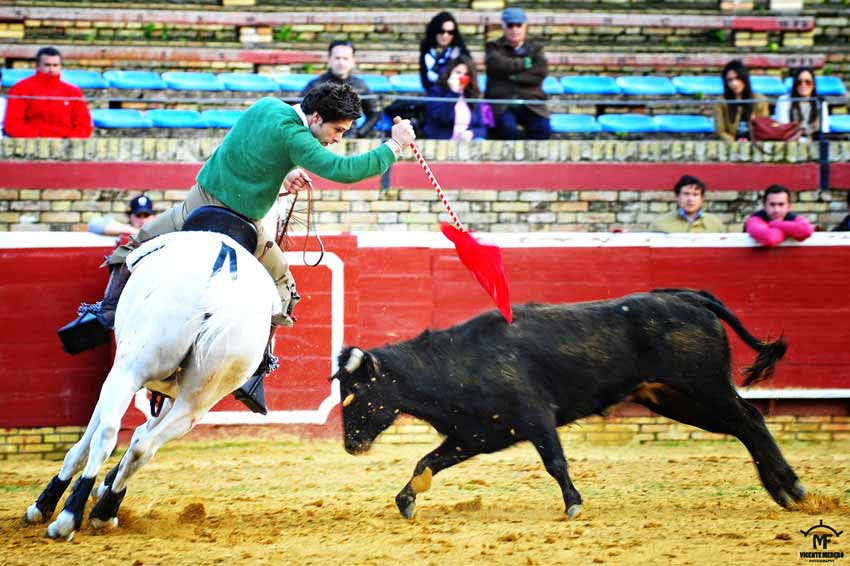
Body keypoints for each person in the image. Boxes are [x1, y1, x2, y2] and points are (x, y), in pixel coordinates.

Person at [484, 7, 551, 140]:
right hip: (502, 103)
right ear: (503, 27)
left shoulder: (536, 48)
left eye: (518, 25)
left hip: (531, 103)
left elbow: (540, 72)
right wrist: (524, 64)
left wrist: (512, 76)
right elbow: (496, 65)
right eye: (510, 25)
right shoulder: (493, 46)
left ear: (525, 26)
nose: (514, 29)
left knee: (542, 128)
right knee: (506, 129)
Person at [3, 46, 92, 139]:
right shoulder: (20, 89)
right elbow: (13, 124)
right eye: (47, 65)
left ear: (60, 66)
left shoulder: (73, 92)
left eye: (55, 65)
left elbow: (84, 125)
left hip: (67, 146)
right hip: (31, 145)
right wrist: (36, 138)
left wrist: (68, 141)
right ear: (37, 66)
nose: (51, 69)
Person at [300, 40, 379, 138]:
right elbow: (303, 113)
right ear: (329, 59)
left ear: (353, 61)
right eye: (337, 58)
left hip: (350, 138)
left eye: (345, 58)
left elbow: (374, 113)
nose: (341, 62)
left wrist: (360, 133)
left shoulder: (360, 85)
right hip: (320, 139)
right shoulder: (316, 85)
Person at [422, 55, 488, 141]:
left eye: (466, 74)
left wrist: (472, 132)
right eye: (458, 72)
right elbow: (443, 117)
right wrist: (453, 92)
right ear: (450, 73)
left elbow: (482, 129)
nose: (462, 77)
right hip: (440, 145)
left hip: (465, 146)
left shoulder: (472, 95)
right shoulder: (435, 92)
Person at [714, 59, 769, 142]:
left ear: (744, 78)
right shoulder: (721, 102)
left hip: (755, 144)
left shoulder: (760, 100)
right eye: (730, 80)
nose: (734, 83)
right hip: (731, 145)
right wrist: (735, 144)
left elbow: (764, 128)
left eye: (737, 78)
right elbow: (720, 131)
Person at [650, 175, 727, 233]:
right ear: (677, 197)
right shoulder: (660, 224)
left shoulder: (715, 224)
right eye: (686, 194)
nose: (690, 199)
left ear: (702, 199)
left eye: (695, 194)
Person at [744, 184, 814, 247]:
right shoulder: (754, 219)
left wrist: (772, 224)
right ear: (764, 205)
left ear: (789, 206)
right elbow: (770, 238)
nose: (776, 210)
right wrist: (790, 231)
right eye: (772, 204)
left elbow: (807, 230)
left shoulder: (791, 217)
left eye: (781, 204)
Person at [774, 67, 830, 141]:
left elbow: (824, 129)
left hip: (815, 143)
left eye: (808, 82)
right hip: (791, 143)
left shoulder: (820, 102)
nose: (803, 85)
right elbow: (784, 128)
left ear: (813, 85)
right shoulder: (784, 100)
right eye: (799, 82)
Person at [419, 11, 471, 92]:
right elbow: (425, 79)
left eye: (450, 32)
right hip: (432, 96)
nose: (445, 35)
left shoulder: (460, 53)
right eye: (441, 31)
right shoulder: (427, 51)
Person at [88, 195, 157, 240]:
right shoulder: (126, 230)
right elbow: (94, 224)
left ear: (153, 217)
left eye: (146, 215)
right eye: (138, 216)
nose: (143, 220)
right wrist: (135, 231)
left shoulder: (160, 231)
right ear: (130, 216)